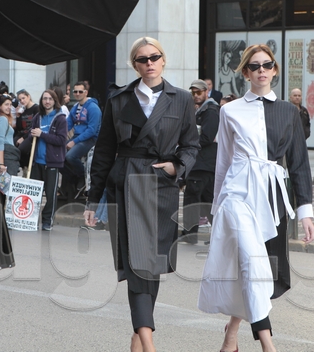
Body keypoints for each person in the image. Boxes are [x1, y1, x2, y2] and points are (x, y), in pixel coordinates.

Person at [84, 36, 199, 352]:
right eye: (142, 59)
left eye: (154, 57)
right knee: (137, 264)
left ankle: (138, 337)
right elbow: (104, 151)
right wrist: (93, 200)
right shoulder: (119, 99)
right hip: (127, 183)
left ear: (163, 60)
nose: (149, 63)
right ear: (134, 65)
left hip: (162, 186)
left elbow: (191, 145)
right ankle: (148, 342)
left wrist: (177, 167)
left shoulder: (181, 99)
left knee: (153, 264)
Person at [198, 44, 314, 352]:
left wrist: (306, 212)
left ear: (274, 70)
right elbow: (223, 162)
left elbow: (299, 163)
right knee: (252, 264)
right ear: (245, 73)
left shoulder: (289, 112)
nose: (261, 70)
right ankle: (268, 344)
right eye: (254, 66)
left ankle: (232, 332)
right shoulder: (229, 110)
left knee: (260, 271)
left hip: (272, 197)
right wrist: (216, 208)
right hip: (237, 195)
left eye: (266, 64)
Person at [181, 79, 219, 245]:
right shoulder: (201, 110)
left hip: (202, 163)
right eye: (193, 93)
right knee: (206, 202)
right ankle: (219, 235)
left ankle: (190, 235)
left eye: (199, 92)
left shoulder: (210, 111)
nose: (195, 95)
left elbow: (207, 137)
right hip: (203, 163)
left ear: (206, 92)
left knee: (193, 199)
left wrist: (187, 142)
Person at [26, 90, 67, 231]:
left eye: (50, 99)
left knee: (50, 195)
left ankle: (47, 221)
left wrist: (42, 134)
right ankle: (30, 220)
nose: (47, 101)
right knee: (34, 194)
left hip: (52, 162)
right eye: (45, 99)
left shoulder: (60, 119)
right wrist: (31, 135)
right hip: (36, 161)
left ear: (55, 101)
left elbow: (61, 140)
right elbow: (32, 135)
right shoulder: (37, 117)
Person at [60, 80, 101, 202]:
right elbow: (68, 124)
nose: (77, 94)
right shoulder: (75, 107)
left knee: (70, 156)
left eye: (80, 91)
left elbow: (92, 130)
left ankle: (82, 176)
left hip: (90, 139)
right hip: (77, 137)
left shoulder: (93, 108)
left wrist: (74, 141)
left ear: (86, 92)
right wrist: (59, 136)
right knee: (56, 156)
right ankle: (74, 178)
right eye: (75, 91)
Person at [13, 89, 39, 167]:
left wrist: (23, 138)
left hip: (30, 134)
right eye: (20, 100)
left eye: (23, 98)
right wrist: (18, 116)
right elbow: (19, 128)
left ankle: (27, 166)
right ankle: (23, 166)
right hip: (22, 133)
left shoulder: (36, 108)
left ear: (28, 97)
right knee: (11, 147)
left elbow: (36, 126)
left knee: (21, 149)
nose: (22, 101)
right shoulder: (23, 110)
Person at [0, 94, 21, 176]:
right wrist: (1, 164)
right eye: (6, 104)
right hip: (7, 156)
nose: (9, 107)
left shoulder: (3, 118)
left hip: (7, 155)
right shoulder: (3, 119)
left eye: (10, 105)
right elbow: (0, 141)